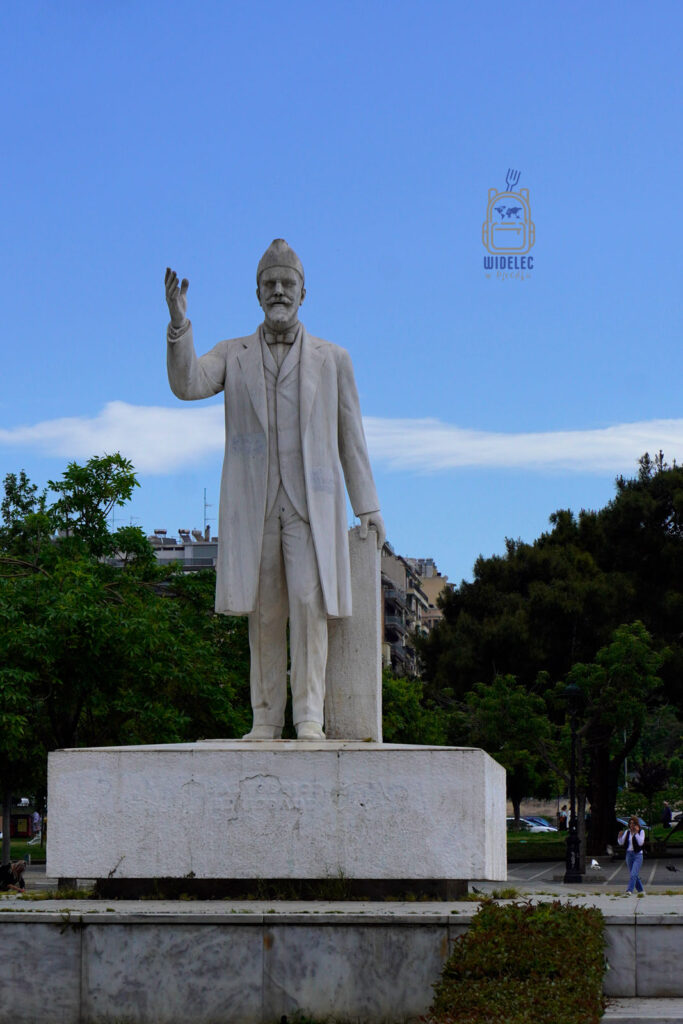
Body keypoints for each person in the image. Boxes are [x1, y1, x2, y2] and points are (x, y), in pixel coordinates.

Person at [165, 240, 385, 742]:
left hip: (311, 504)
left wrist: (367, 504)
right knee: (264, 610)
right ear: (257, 293)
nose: (279, 291)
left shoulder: (334, 359)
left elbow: (351, 436)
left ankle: (308, 716)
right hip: (254, 504)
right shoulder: (232, 353)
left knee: (309, 604)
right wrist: (180, 328)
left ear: (304, 292)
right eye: (270, 284)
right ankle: (265, 717)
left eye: (287, 284)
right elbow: (189, 384)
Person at [618, 816, 645, 894]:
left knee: (633, 874)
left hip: (638, 855)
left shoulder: (641, 832)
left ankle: (629, 890)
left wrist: (636, 833)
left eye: (633, 823)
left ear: (637, 824)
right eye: (630, 823)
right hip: (629, 854)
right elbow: (621, 842)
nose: (631, 825)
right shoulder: (627, 832)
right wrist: (619, 837)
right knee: (634, 874)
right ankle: (641, 890)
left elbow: (640, 843)